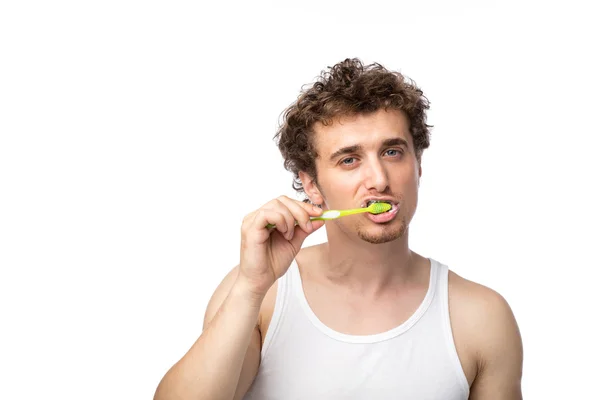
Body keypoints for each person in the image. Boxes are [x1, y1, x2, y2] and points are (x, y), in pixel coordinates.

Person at [153, 58, 523, 400]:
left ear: (418, 164)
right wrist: (251, 287)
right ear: (311, 185)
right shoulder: (263, 297)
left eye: (393, 152)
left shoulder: (481, 317)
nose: (378, 179)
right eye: (349, 160)